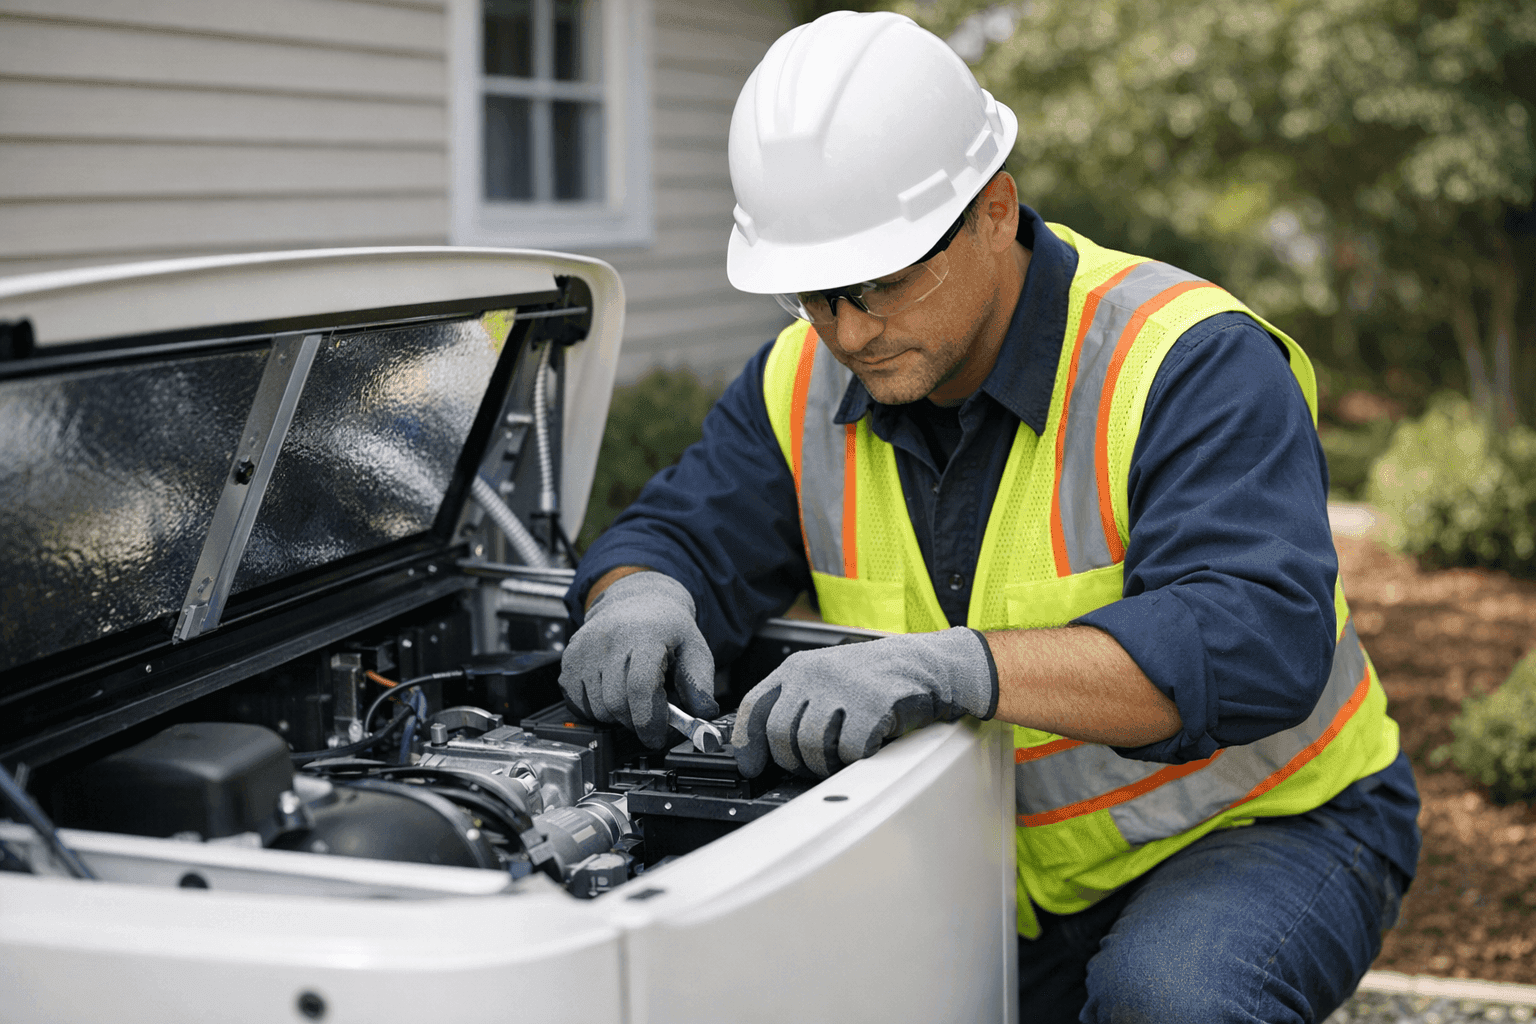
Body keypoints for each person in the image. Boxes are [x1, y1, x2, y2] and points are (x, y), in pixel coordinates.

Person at [559, 11, 1420, 1022]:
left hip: (1267, 825)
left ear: (996, 209)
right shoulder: (797, 382)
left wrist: (950, 666)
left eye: (880, 283)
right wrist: (639, 592)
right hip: (1006, 866)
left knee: (1169, 999)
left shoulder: (1185, 359)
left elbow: (1250, 641)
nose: (847, 331)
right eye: (815, 296)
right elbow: (683, 530)